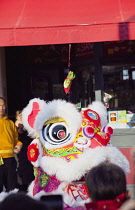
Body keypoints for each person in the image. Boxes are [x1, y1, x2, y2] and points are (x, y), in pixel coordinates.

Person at [0, 97, 23, 193]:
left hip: (10, 159)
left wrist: (19, 145)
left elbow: (16, 140)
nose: (1, 108)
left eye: (3, 105)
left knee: (12, 188)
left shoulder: (10, 123)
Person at [15, 110, 34, 192]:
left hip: (28, 150)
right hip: (20, 151)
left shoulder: (27, 125)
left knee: (29, 168)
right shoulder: (15, 125)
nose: (21, 116)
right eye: (20, 115)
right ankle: (23, 185)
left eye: (23, 115)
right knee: (22, 167)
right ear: (17, 116)